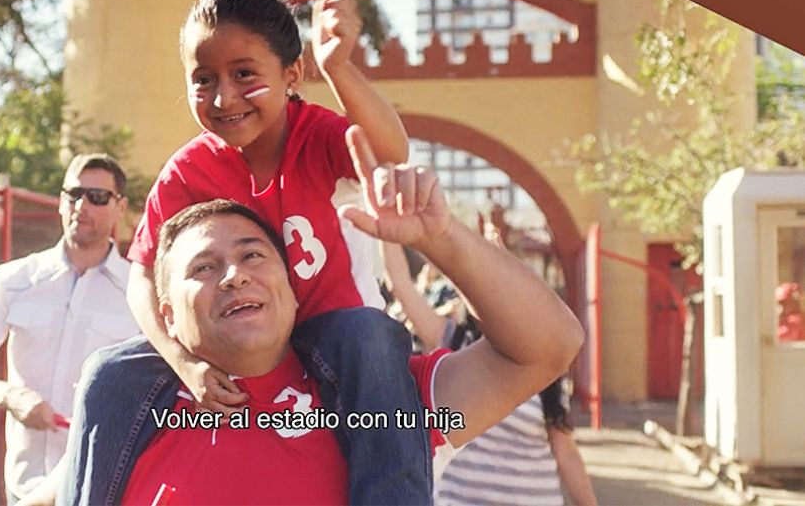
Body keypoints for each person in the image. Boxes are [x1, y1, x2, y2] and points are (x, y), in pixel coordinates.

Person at [57, 125, 584, 505]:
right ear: (167, 314)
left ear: (292, 287)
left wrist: (440, 238)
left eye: (253, 255)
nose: (234, 275)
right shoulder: (127, 409)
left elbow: (549, 346)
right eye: (204, 267)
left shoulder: (377, 404)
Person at [124, 0, 430, 502]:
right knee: (107, 371)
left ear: (292, 74)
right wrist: (184, 361)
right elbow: (142, 276)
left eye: (244, 74)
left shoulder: (315, 133)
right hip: (234, 347)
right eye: (203, 79)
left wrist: (338, 67)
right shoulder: (188, 172)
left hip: (325, 338)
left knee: (370, 335)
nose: (224, 97)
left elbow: (390, 148)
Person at [0, 153, 141, 504]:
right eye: (74, 194)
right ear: (61, 202)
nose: (83, 205)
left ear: (119, 206)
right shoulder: (13, 280)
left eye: (97, 197)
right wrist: (10, 396)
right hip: (25, 488)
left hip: (103, 488)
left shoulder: (140, 293)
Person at [382, 233, 597, 506]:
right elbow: (402, 286)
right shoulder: (455, 343)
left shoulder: (545, 363)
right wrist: (387, 228)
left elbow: (564, 447)